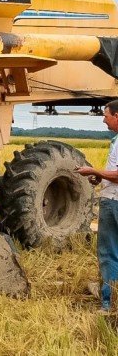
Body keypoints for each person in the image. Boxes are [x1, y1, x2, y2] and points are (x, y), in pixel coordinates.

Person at [74, 99, 118, 314]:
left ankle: (109, 304)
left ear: (117, 116)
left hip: (114, 204)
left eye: (106, 114)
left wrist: (94, 172)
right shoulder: (115, 141)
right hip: (112, 198)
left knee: (109, 253)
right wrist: (100, 178)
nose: (103, 119)